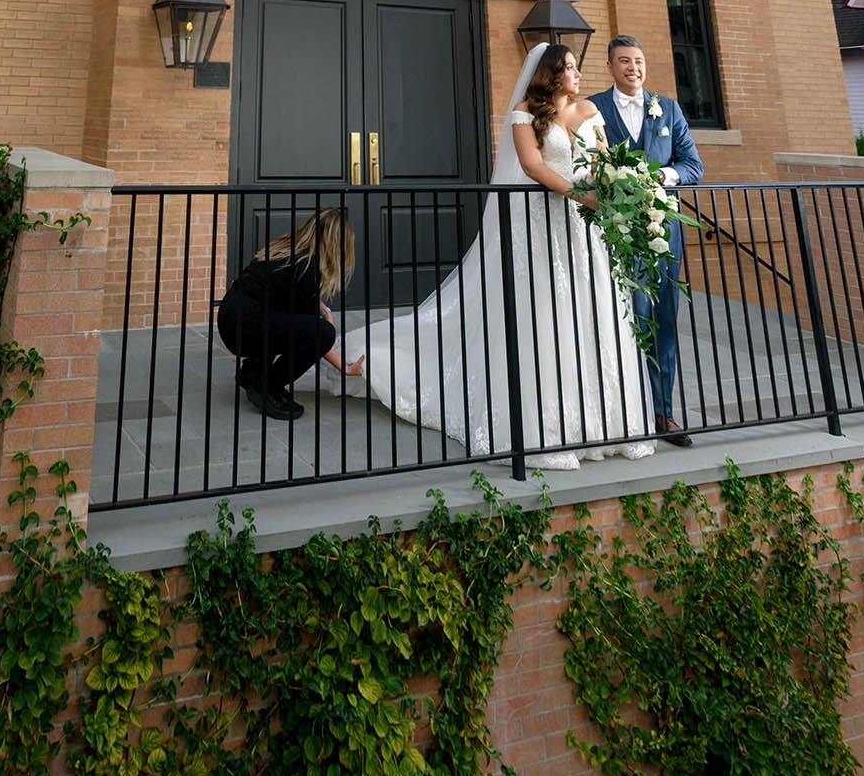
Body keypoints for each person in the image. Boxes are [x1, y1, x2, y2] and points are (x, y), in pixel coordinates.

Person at [321, 42, 653, 469]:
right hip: (542, 223)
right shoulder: (524, 113)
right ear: (551, 73)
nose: (577, 74)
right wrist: (579, 194)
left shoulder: (590, 111)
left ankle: (607, 421)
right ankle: (546, 429)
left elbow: (606, 161)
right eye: (569, 68)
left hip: (584, 229)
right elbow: (532, 166)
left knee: (593, 312)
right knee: (546, 315)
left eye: (576, 67)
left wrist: (613, 188)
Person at [590, 33, 704, 446]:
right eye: (624, 61)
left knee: (662, 320)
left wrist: (663, 177)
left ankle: (662, 412)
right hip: (613, 233)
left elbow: (693, 165)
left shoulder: (668, 109)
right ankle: (619, 411)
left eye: (638, 61)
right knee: (620, 318)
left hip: (662, 232)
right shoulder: (593, 108)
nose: (632, 67)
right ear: (611, 66)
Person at [216, 207, 363, 420]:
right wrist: (344, 366)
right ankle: (267, 386)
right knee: (322, 333)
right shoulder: (307, 268)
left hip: (231, 317)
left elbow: (285, 292)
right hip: (245, 326)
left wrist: (321, 307)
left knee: (284, 315)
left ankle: (253, 371)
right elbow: (313, 334)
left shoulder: (289, 248)